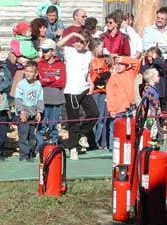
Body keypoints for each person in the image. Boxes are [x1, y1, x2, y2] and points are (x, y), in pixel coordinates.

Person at [57, 29, 99, 160]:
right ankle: (73, 147)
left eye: (82, 42)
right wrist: (74, 34)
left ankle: (81, 134)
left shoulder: (89, 54)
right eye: (78, 41)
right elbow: (58, 45)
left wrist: (91, 82)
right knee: (73, 120)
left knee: (94, 113)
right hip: (71, 91)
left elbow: (85, 71)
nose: (79, 44)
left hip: (84, 89)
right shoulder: (70, 51)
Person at [36, 39, 66, 154]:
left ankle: (54, 147)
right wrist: (53, 79)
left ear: (53, 51)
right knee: (41, 125)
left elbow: (61, 82)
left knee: (53, 126)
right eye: (43, 51)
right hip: (42, 99)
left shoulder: (60, 64)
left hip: (56, 99)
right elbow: (39, 81)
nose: (44, 53)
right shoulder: (40, 64)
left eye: (47, 51)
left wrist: (46, 79)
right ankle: (40, 148)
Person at [106, 55, 141, 150]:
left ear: (126, 65)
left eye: (121, 64)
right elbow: (110, 96)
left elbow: (137, 63)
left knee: (129, 130)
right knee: (115, 129)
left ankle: (127, 147)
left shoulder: (131, 73)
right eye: (117, 64)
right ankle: (113, 148)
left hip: (130, 108)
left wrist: (123, 59)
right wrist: (112, 110)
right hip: (118, 109)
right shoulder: (113, 78)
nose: (118, 66)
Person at [15, 61, 44, 161]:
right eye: (27, 71)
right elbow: (18, 99)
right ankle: (24, 156)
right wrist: (21, 111)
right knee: (23, 136)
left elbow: (40, 98)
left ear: (36, 73)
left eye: (31, 71)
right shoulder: (21, 84)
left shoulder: (38, 84)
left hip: (33, 114)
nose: (28, 73)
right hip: (23, 114)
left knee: (32, 136)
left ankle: (31, 153)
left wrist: (39, 112)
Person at [89, 38, 111, 149]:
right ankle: (91, 142)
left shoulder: (105, 60)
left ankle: (98, 142)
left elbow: (109, 72)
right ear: (95, 48)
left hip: (103, 91)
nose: (103, 49)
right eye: (101, 47)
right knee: (94, 117)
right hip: (93, 91)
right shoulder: (89, 60)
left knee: (102, 118)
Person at [141, 68, 162, 142]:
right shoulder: (148, 89)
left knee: (154, 129)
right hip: (149, 113)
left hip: (154, 112)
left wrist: (158, 108)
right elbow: (146, 100)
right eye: (157, 76)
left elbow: (156, 101)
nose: (159, 77)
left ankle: (152, 140)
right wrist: (148, 110)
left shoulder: (154, 88)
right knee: (149, 128)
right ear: (152, 79)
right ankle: (147, 142)